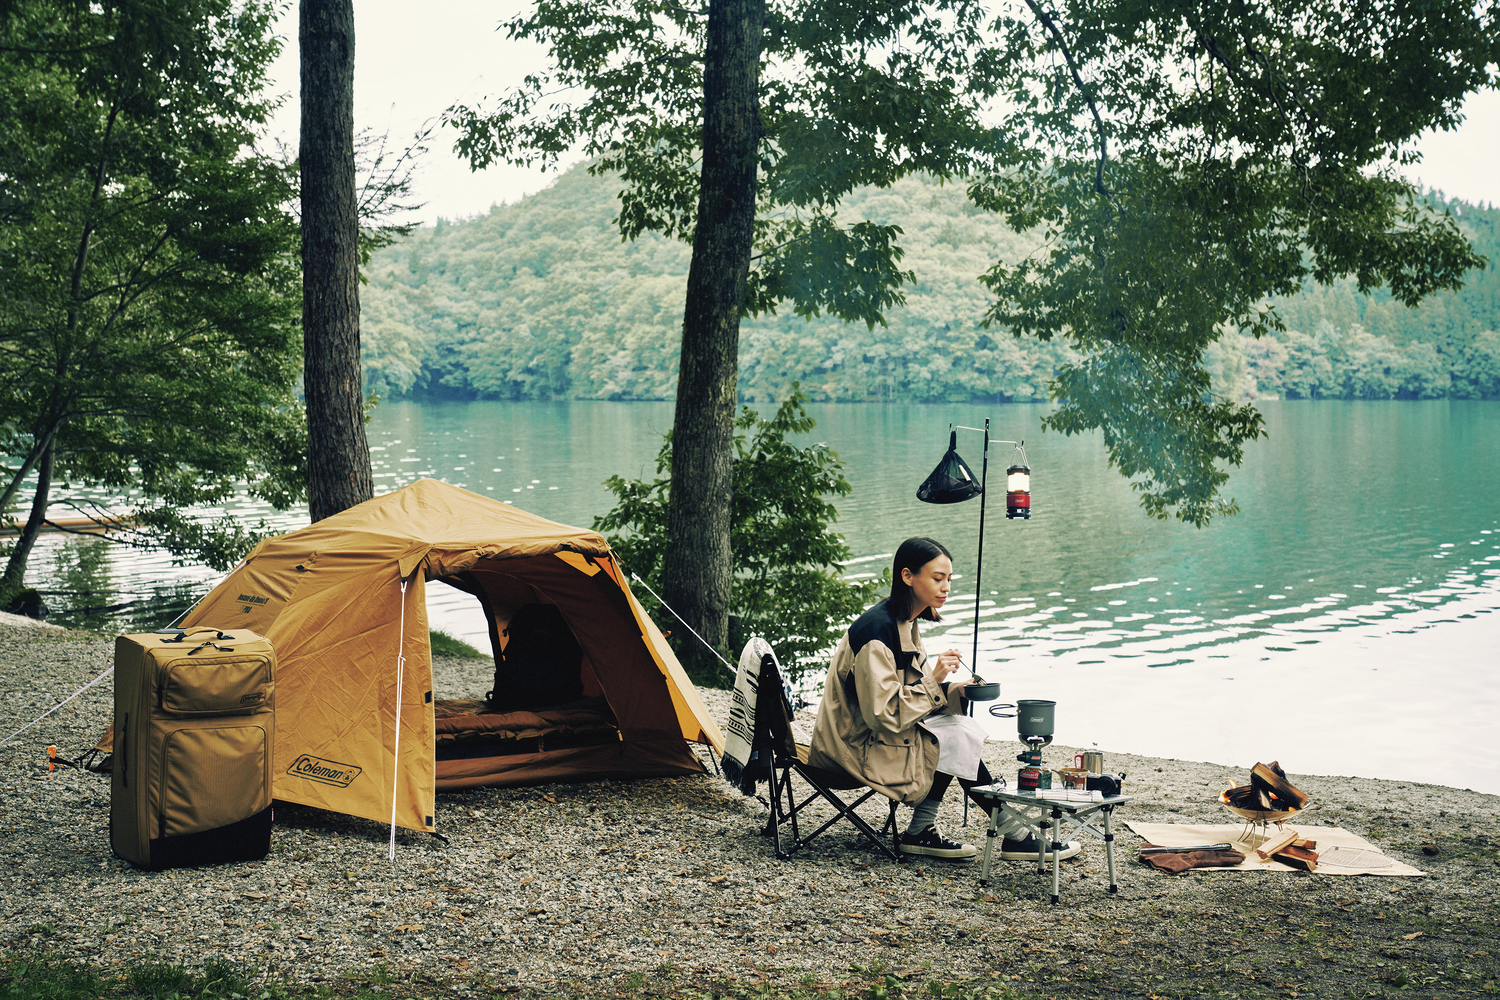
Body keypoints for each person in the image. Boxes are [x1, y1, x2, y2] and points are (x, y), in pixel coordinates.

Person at [808, 537, 1081, 863]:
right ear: (908, 576)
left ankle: (931, 831)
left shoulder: (903, 622)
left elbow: (913, 695)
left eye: (949, 579)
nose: (945, 587)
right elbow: (882, 714)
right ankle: (1014, 835)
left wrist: (955, 690)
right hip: (851, 748)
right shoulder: (876, 633)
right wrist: (935, 679)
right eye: (937, 578)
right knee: (954, 735)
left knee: (955, 730)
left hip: (876, 738)